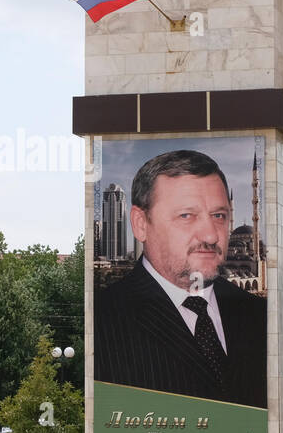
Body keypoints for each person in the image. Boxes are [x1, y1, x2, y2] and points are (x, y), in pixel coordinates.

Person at [95, 149, 267, 408]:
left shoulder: (257, 314)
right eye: (187, 216)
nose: (210, 235)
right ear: (141, 224)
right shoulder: (105, 319)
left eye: (218, 216)